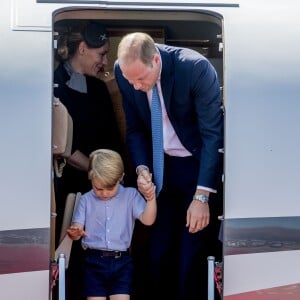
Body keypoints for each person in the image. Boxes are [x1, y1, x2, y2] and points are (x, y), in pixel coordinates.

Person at [114, 32, 224, 300]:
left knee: (190, 255)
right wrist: (141, 169)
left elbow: (213, 136)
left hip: (196, 170)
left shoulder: (194, 68)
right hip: (160, 168)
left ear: (155, 59)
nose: (136, 86)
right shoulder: (123, 71)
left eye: (141, 79)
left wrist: (202, 195)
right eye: (131, 81)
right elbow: (136, 129)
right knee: (157, 252)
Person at [54, 21, 125, 300]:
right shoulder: (54, 86)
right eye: (101, 54)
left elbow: (113, 140)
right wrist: (98, 171)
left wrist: (116, 178)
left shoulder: (98, 89)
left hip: (104, 188)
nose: (105, 61)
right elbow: (61, 146)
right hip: (70, 187)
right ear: (82, 49)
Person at [67, 149, 157, 300]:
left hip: (121, 261)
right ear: (91, 178)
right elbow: (77, 228)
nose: (104, 193)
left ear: (121, 177)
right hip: (94, 261)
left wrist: (151, 198)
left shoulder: (131, 195)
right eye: (98, 188)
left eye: (110, 188)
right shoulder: (86, 200)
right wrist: (75, 232)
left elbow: (148, 220)